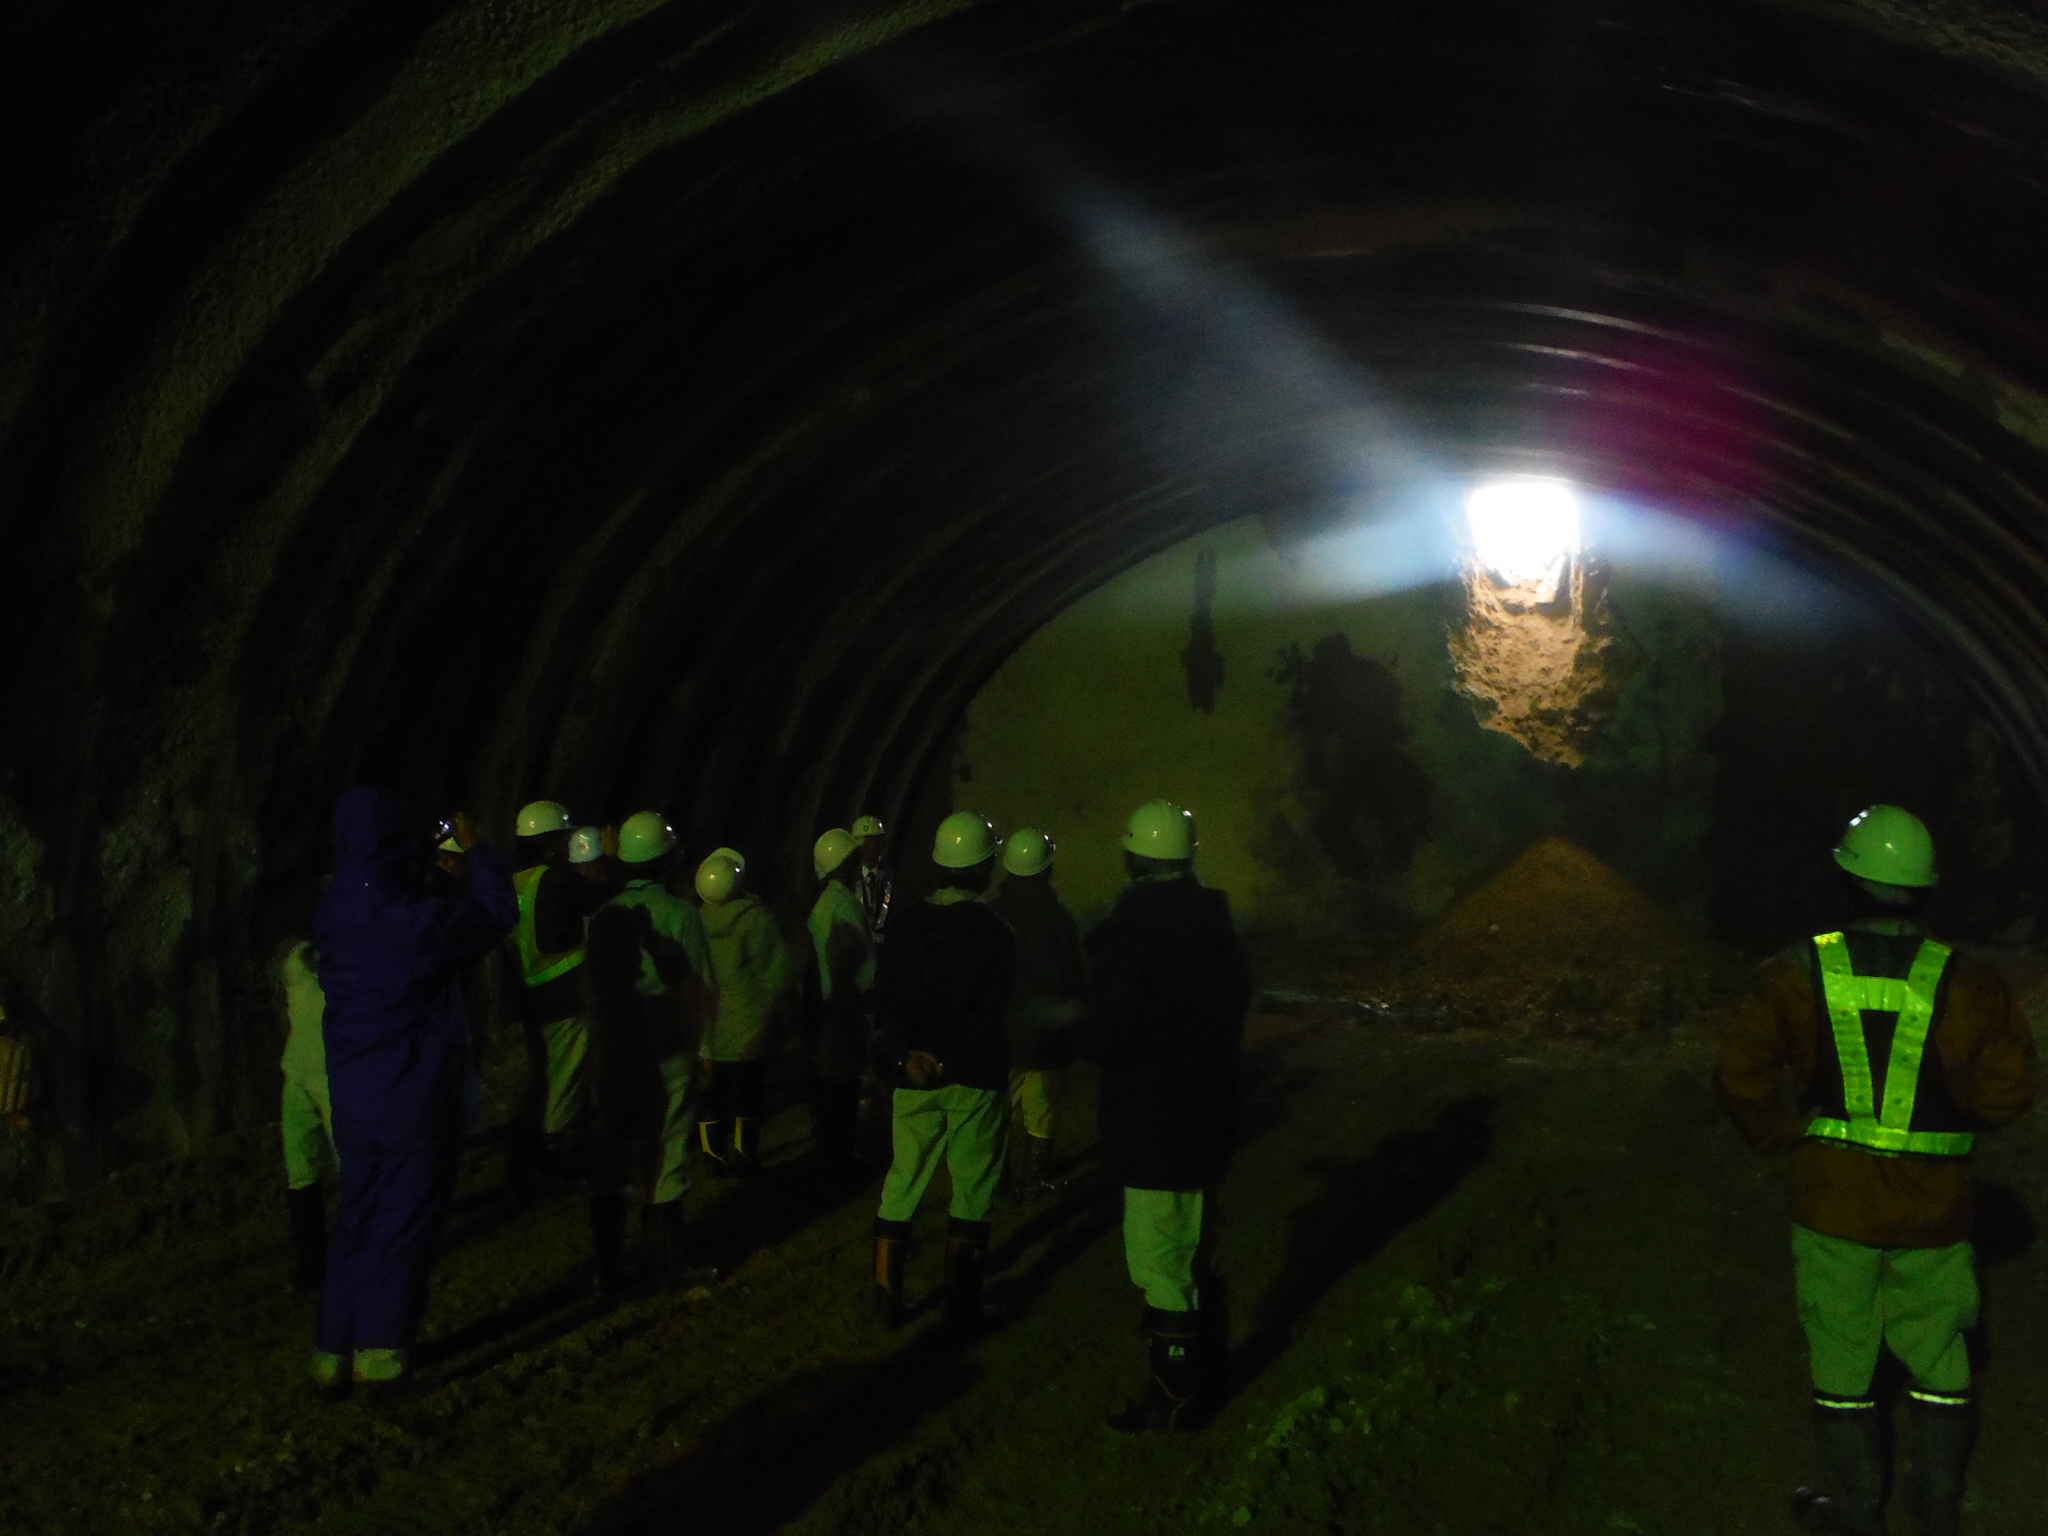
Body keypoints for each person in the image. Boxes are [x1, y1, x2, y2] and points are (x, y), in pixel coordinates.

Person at [1716, 805, 2038, 1536]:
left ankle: (1857, 1513)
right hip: (1936, 1209)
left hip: (1835, 1206)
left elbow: (1741, 1074)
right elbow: (2010, 1088)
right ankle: (1939, 1511)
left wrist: (1785, 1137)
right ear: (1924, 889)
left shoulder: (1797, 971)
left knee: (1842, 1357)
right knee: (1940, 1354)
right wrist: (1952, 1125)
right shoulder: (1971, 982)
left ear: (1846, 879)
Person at [311, 791, 515, 1400]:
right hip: (411, 1093)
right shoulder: (412, 924)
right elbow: (495, 914)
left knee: (359, 1219)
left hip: (354, 1093)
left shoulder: (336, 909)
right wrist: (475, 851)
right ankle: (382, 1356)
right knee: (404, 1222)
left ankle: (331, 1354)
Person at [1078, 798, 1251, 1433]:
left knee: (1159, 1264)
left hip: (1152, 1126)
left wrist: (1074, 1027)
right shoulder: (1218, 932)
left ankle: (1175, 1398)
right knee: (1195, 1252)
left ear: (1132, 859)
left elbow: (1110, 1033)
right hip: (1205, 1120)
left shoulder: (1132, 939)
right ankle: (1209, 1371)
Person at [870, 811, 1017, 1330]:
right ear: (984, 867)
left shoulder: (906, 924)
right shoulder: (995, 934)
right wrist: (951, 1058)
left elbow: (885, 997)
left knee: (903, 1180)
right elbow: (992, 1012)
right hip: (974, 1078)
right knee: (972, 1187)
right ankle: (961, 1301)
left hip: (914, 1077)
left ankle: (887, 1298)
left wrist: (908, 1056)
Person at [582, 811, 719, 1293]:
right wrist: (704, 1050)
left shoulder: (601, 918)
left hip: (615, 1054)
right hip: (664, 1053)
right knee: (667, 1156)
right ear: (667, 860)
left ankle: (609, 1269)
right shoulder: (680, 914)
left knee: (613, 1160)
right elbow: (696, 990)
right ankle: (668, 1268)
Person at [507, 800, 618, 1195]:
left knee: (540, 1080)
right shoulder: (555, 880)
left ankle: (522, 1161)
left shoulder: (515, 881)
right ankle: (548, 1167)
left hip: (528, 997)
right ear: (550, 841)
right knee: (564, 1085)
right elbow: (605, 895)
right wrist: (615, 856)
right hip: (561, 994)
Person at [988, 826, 1086, 1201]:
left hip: (1003, 1034)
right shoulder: (1058, 917)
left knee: (1000, 1111)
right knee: (1042, 1112)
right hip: (1046, 1035)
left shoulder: (993, 914)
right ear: (1047, 869)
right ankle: (1032, 1178)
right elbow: (1073, 978)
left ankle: (1000, 1180)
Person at [694, 848, 795, 1178]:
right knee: (749, 1091)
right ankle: (743, 1154)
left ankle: (712, 1155)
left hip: (712, 1025)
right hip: (751, 1024)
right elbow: (776, 973)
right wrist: (784, 1012)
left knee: (714, 1090)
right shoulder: (756, 918)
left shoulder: (695, 919)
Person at [808, 827, 875, 1169]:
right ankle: (839, 1154)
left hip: (827, 1005)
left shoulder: (823, 904)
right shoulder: (845, 904)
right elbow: (862, 966)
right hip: (846, 1007)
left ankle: (830, 1150)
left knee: (832, 1081)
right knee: (845, 1084)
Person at [278, 937, 337, 1292]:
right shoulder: (301, 956)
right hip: (300, 1074)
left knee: (352, 1169)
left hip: (332, 1075)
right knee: (300, 1171)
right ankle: (311, 1265)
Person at [851, 814, 893, 940]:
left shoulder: (889, 875)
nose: (867, 846)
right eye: (863, 840)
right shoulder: (849, 877)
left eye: (872, 840)